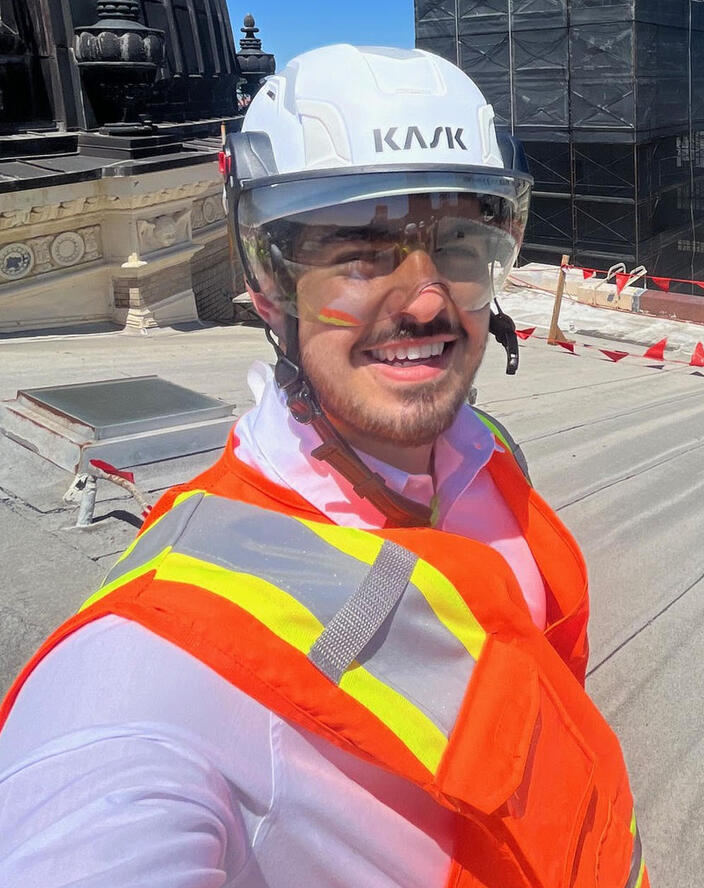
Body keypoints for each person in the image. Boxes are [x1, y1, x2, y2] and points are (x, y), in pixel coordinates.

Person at [0, 45, 648, 888]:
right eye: (359, 250)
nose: (423, 300)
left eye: (458, 242)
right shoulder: (150, 665)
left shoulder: (484, 455)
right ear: (269, 287)